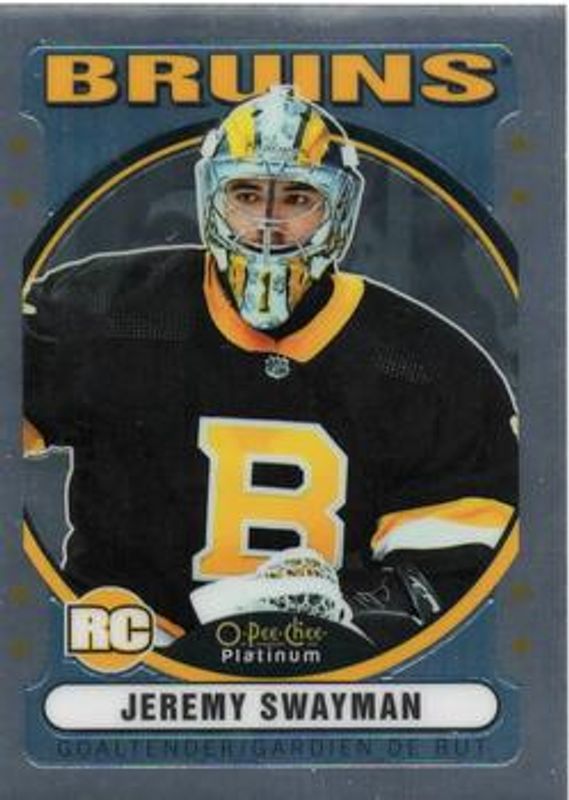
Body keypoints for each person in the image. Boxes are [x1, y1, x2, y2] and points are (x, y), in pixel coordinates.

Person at [23, 86, 517, 644]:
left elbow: (455, 584)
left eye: (298, 198)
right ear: (212, 197)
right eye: (246, 194)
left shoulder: (426, 363)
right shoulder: (108, 310)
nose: (266, 223)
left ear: (339, 209)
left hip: (328, 667)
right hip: (128, 655)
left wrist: (338, 611)